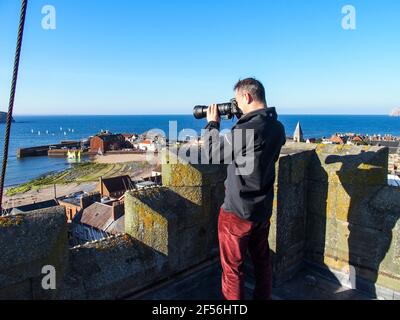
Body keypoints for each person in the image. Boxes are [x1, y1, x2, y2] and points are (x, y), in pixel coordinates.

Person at [203, 78, 286, 300]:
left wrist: (212, 124)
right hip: (262, 210)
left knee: (232, 271)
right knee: (262, 264)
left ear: (247, 97)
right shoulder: (277, 127)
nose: (237, 106)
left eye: (238, 101)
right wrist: (241, 117)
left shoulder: (248, 129)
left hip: (237, 213)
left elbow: (211, 153)